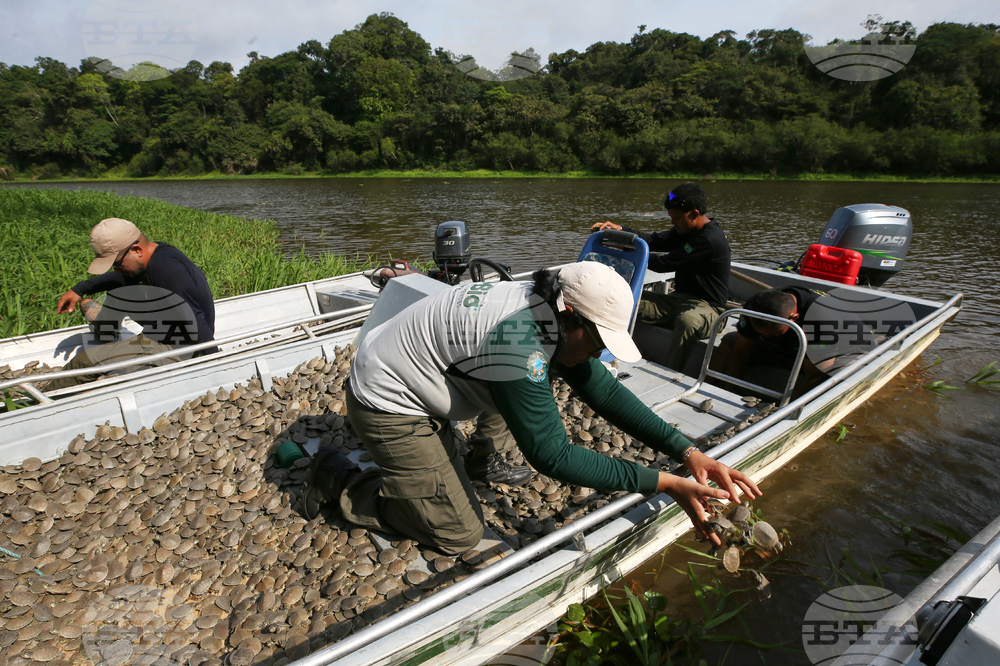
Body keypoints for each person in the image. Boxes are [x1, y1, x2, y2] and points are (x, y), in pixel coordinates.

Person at [302, 261, 760, 555]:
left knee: (539, 378)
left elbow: (600, 389)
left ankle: (481, 460)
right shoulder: (518, 342)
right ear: (569, 314)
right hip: (388, 401)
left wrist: (687, 452)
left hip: (430, 366)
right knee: (458, 535)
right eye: (597, 341)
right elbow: (552, 455)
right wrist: (665, 484)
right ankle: (339, 477)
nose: (600, 354)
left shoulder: (545, 310)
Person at [49, 218, 216, 390]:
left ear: (136, 250)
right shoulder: (157, 253)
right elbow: (120, 278)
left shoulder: (165, 268)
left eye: (117, 264)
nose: (116, 270)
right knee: (119, 292)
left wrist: (215, 362)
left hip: (176, 347)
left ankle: (34, 403)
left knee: (83, 362)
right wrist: (80, 289)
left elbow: (194, 318)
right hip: (166, 328)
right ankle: (104, 327)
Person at [591, 183, 730, 373]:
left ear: (694, 214)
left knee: (688, 320)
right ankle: (599, 354)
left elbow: (665, 263)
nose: (673, 223)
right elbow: (653, 240)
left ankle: (670, 374)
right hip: (677, 301)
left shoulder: (709, 239)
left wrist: (626, 249)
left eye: (676, 218)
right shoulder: (686, 230)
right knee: (622, 300)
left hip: (709, 309)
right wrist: (621, 230)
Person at [712, 287, 866, 397]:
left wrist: (780, 410)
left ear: (794, 318)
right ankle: (709, 386)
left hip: (839, 351)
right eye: (761, 334)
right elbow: (740, 351)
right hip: (792, 343)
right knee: (730, 341)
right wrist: (729, 389)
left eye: (772, 334)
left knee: (836, 375)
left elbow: (815, 375)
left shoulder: (820, 320)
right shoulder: (755, 306)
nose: (766, 337)